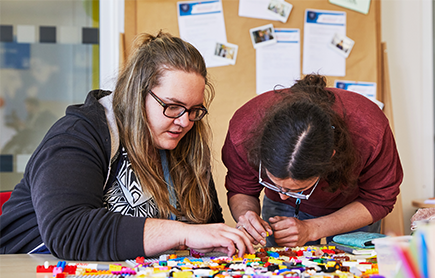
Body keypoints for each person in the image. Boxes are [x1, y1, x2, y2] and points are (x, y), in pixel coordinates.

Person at [0, 31, 254, 261]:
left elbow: (206, 228)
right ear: (136, 93)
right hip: (27, 270)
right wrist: (183, 234)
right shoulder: (79, 134)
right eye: (172, 106)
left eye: (194, 110)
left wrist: (228, 240)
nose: (185, 121)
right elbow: (69, 231)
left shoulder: (187, 143)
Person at [222, 74, 403, 247]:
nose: (283, 195)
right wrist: (247, 216)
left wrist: (312, 229)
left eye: (298, 189)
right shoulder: (244, 130)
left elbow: (379, 198)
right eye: (274, 183)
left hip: (352, 207)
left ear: (330, 159)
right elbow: (241, 187)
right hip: (281, 212)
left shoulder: (370, 132)